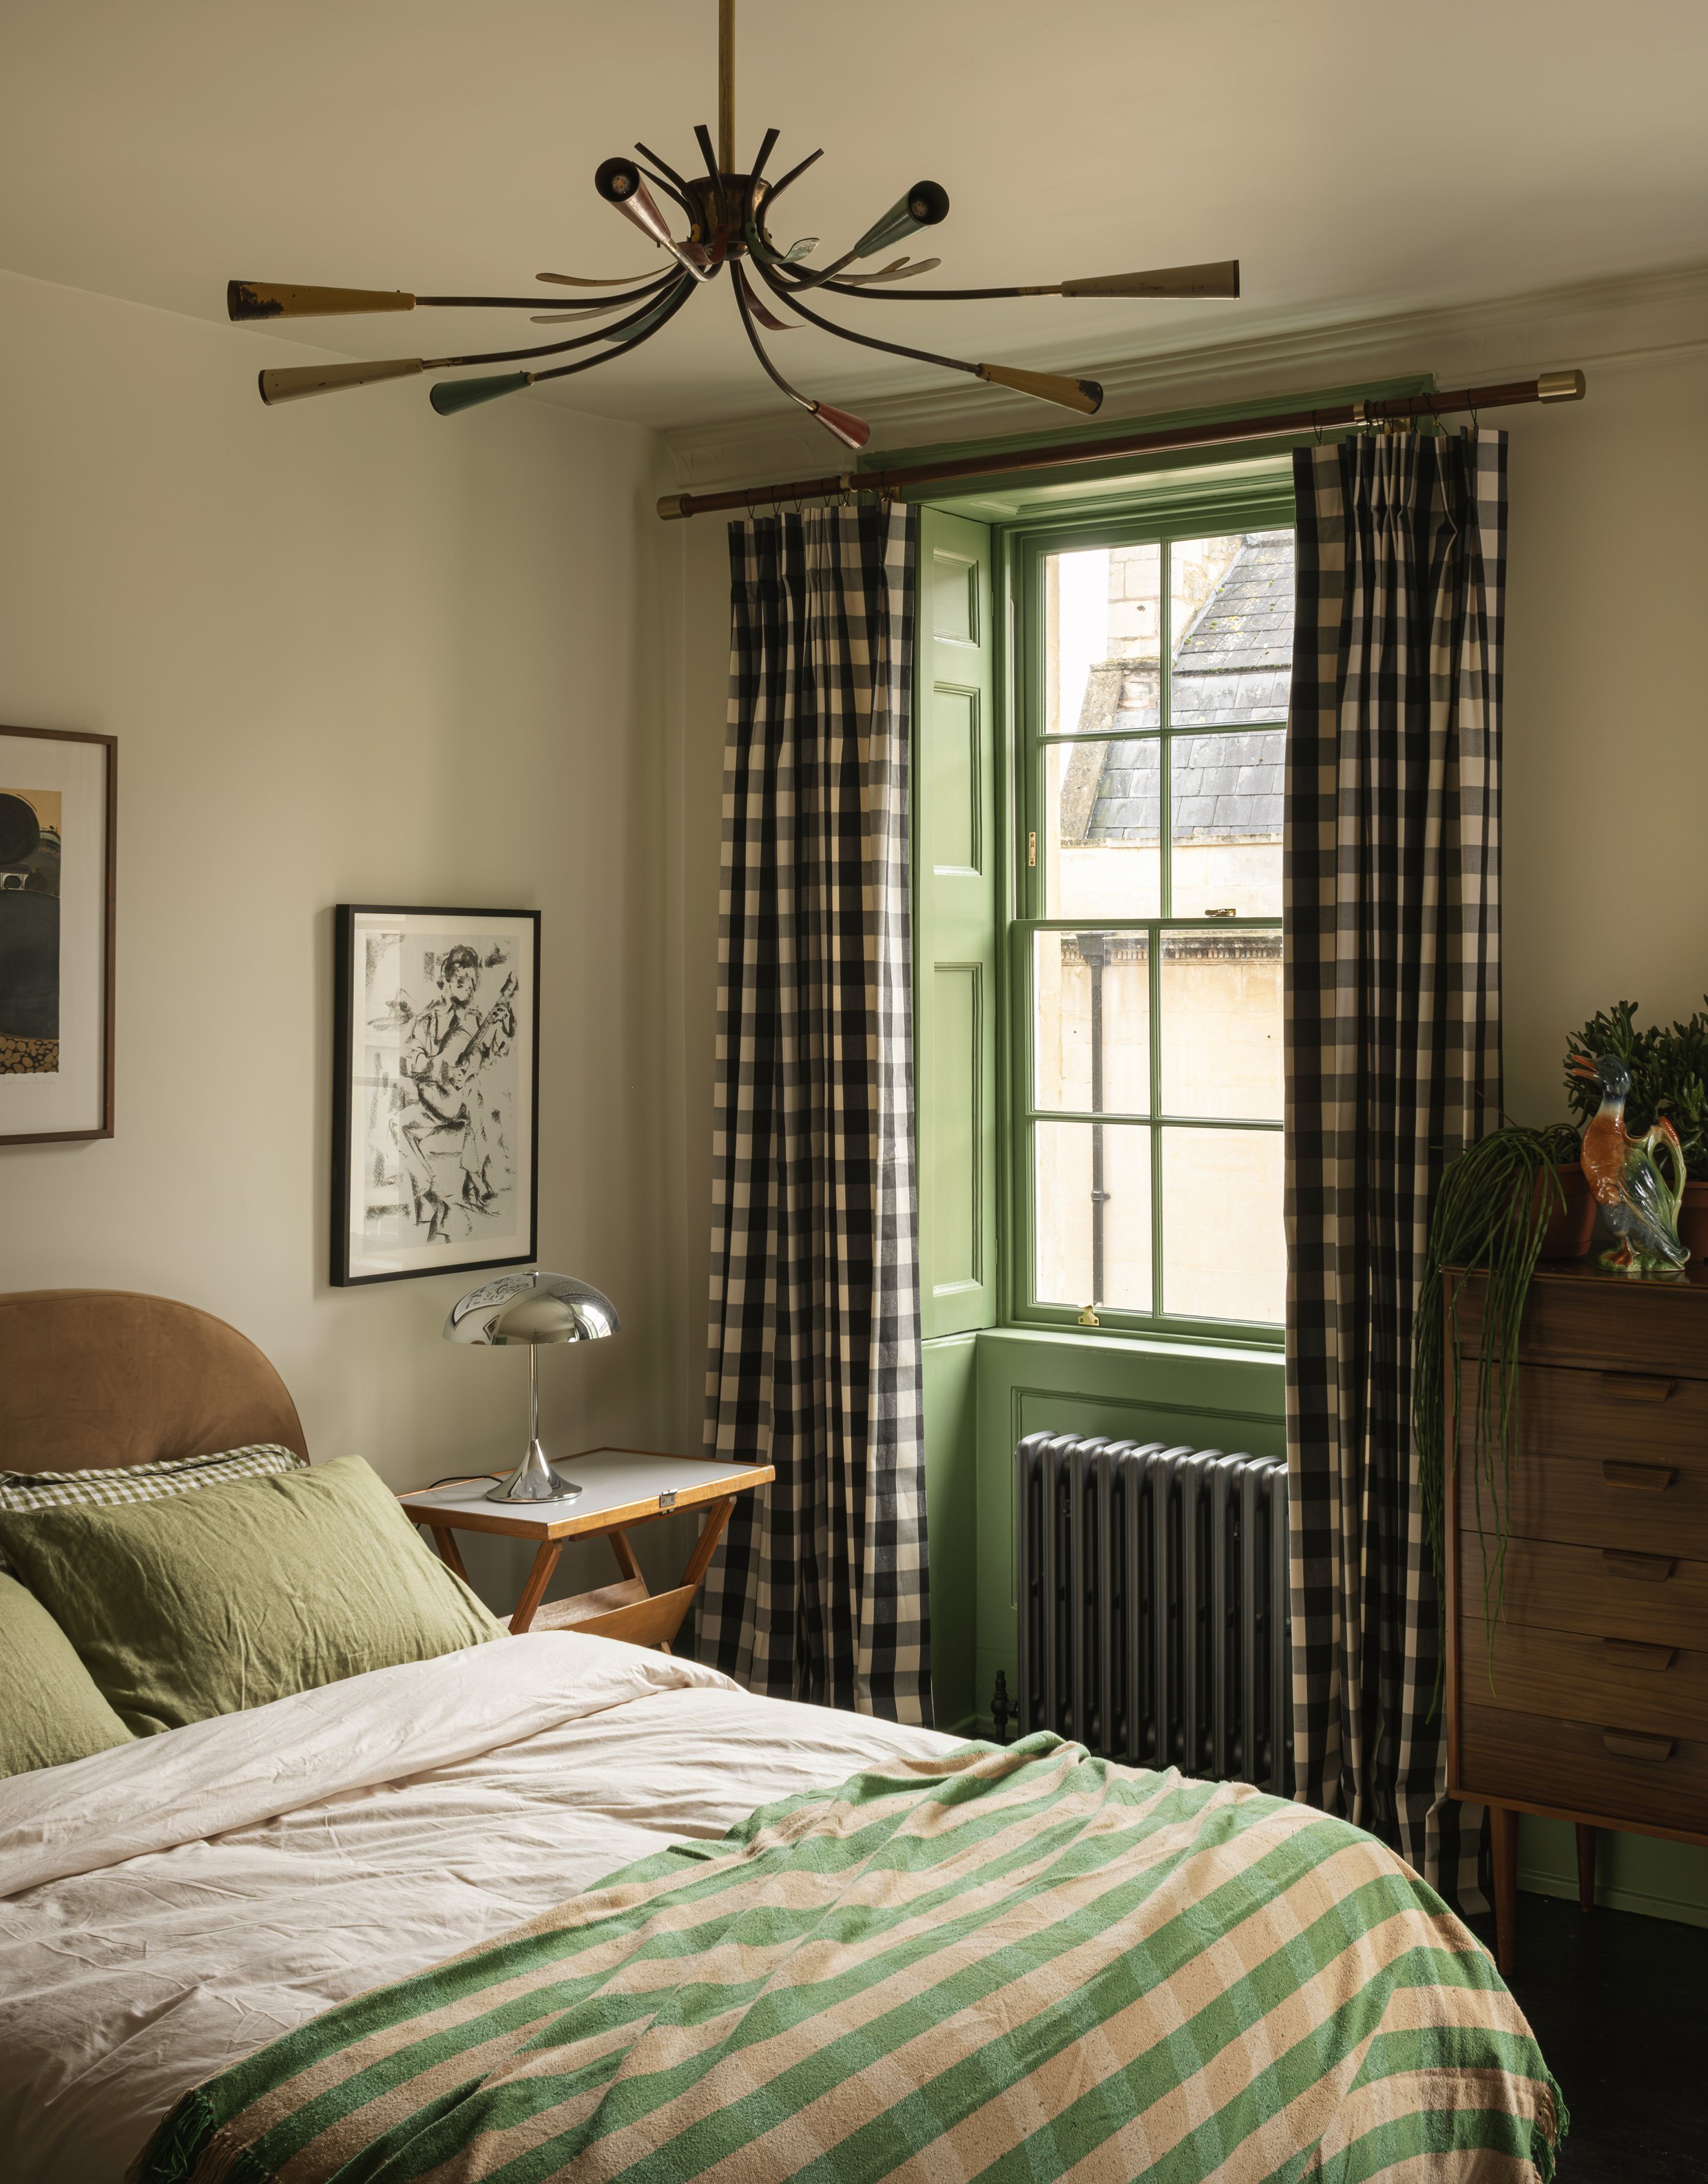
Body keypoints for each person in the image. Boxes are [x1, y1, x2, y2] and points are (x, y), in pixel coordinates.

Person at [391, 945, 516, 1240]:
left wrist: (505, 1022)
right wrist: (439, 1069)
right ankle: (433, 1197)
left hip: (462, 1105)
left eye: (473, 983)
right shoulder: (425, 1022)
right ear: (446, 982)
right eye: (462, 982)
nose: (469, 989)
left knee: (480, 1094)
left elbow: (497, 1051)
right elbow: (408, 1061)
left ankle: (475, 1179)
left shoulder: (475, 1020)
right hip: (431, 1102)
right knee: (396, 1126)